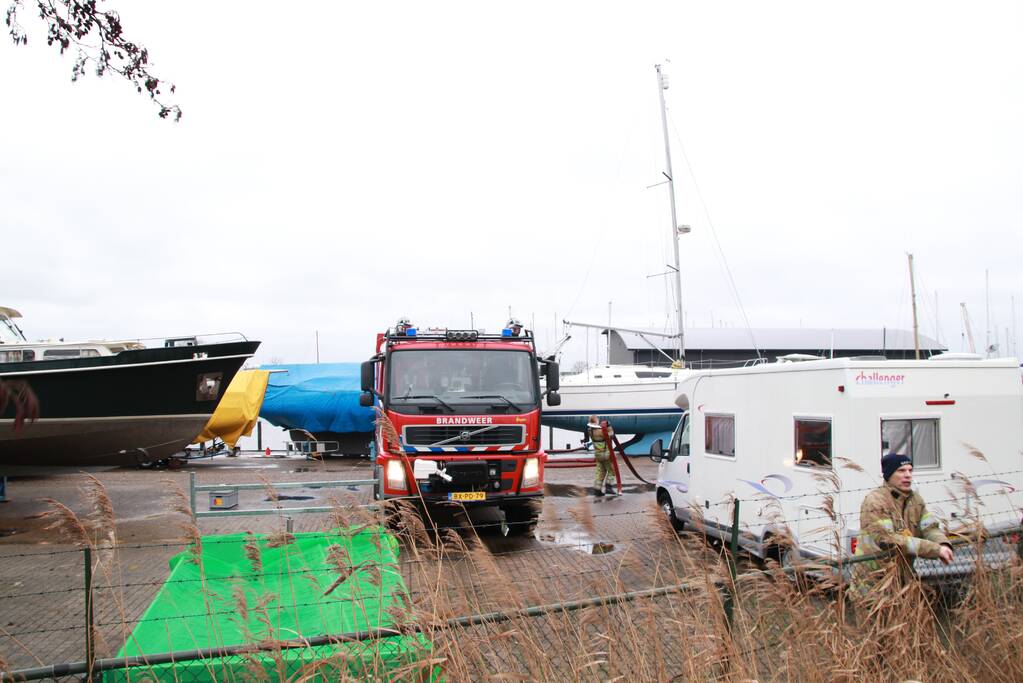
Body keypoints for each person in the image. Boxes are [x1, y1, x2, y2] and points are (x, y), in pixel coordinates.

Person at [854, 453, 954, 588]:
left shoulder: (915, 500)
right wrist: (935, 549)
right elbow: (887, 540)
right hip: (873, 583)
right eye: (901, 471)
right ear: (888, 475)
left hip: (903, 581)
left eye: (910, 470)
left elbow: (930, 528)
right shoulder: (875, 501)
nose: (908, 475)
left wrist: (943, 544)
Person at [587, 415, 616, 496]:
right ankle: (608, 487)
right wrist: (609, 426)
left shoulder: (590, 430)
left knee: (600, 472)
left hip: (598, 454)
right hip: (606, 454)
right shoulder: (601, 431)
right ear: (596, 421)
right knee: (611, 471)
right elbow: (611, 435)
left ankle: (597, 489)